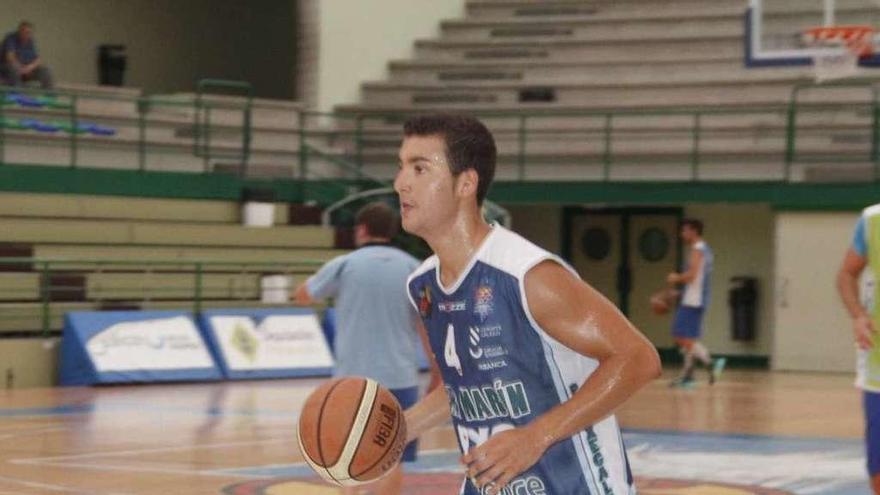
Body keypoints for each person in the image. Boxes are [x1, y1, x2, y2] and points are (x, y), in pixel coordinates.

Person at [397, 114, 661, 495]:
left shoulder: (527, 275)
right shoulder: (422, 285)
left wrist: (535, 437)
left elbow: (639, 358)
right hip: (493, 485)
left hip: (575, 486)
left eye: (420, 168)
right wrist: (399, 432)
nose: (401, 182)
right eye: (401, 166)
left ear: (465, 184)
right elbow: (465, 387)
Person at [293, 201, 430, 495]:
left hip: (350, 383)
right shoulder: (413, 268)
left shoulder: (344, 265)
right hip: (401, 378)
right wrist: (436, 373)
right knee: (393, 460)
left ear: (363, 229)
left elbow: (304, 295)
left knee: (346, 460)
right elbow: (427, 326)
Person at [837, 204, 880, 494]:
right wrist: (858, 316)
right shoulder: (873, 219)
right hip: (878, 363)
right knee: (878, 469)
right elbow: (846, 275)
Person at [666, 218, 724, 388]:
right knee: (688, 337)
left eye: (684, 231)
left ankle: (711, 363)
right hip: (694, 297)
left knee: (679, 335)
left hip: (694, 300)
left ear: (693, 231)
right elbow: (698, 279)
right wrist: (679, 293)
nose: (682, 234)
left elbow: (692, 275)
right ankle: (688, 375)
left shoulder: (698, 249)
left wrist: (675, 277)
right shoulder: (705, 249)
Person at [0, 21, 53, 89]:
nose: (25, 34)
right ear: (18, 31)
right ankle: (17, 94)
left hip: (25, 71)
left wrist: (29, 68)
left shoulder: (30, 41)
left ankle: (49, 95)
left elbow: (37, 59)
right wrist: (21, 69)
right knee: (13, 68)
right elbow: (10, 57)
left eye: (28, 33)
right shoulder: (10, 38)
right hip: (7, 70)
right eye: (22, 31)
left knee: (45, 70)